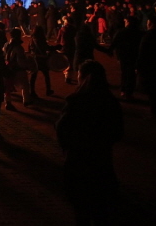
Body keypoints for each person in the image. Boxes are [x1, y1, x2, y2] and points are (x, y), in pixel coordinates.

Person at [56, 60, 124, 225]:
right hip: (101, 161)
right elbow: (117, 132)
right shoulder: (110, 101)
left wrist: (68, 146)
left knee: (81, 210)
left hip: (77, 161)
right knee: (101, 209)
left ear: (83, 76)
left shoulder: (77, 101)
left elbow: (61, 127)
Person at [109, 16, 140, 101]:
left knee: (125, 73)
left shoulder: (122, 31)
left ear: (129, 22)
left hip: (124, 55)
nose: (125, 22)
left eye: (126, 21)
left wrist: (110, 50)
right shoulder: (138, 32)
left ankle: (124, 90)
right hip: (134, 55)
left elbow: (115, 41)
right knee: (131, 73)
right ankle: (129, 92)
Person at [4, 28, 32, 109]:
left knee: (7, 86)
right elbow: (21, 61)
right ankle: (26, 100)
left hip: (8, 68)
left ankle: (8, 102)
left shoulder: (6, 45)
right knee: (25, 85)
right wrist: (26, 66)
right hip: (17, 69)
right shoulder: (18, 48)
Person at [28, 26, 54, 98]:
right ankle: (48, 90)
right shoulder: (41, 39)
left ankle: (32, 91)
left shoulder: (32, 38)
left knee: (33, 76)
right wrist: (56, 47)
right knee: (46, 75)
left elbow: (29, 48)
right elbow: (45, 47)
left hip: (35, 59)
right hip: (42, 59)